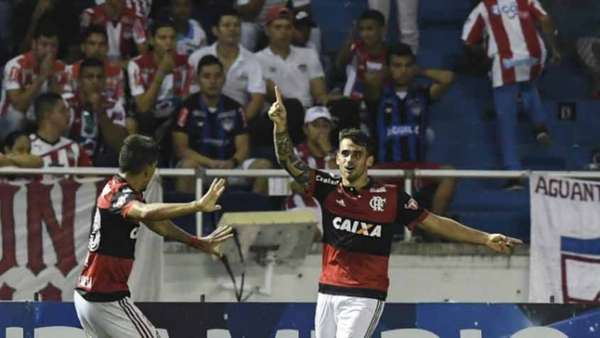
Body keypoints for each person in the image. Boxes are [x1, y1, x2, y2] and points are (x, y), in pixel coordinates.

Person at [268, 85, 522, 337]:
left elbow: (434, 222)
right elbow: (289, 162)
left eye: (357, 154)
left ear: (369, 161)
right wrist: (280, 127)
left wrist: (485, 238)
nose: (349, 160)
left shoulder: (390, 197)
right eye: (344, 153)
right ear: (337, 159)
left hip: (365, 296)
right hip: (327, 292)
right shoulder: (328, 188)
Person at [74, 134, 233, 338]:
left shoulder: (118, 189)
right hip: (106, 299)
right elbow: (145, 212)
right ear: (149, 169)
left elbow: (160, 225)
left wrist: (196, 242)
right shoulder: (121, 195)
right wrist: (196, 206)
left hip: (89, 296)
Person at [462, 0, 561, 189]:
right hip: (534, 57)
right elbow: (546, 19)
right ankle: (540, 124)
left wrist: (484, 55)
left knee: (506, 120)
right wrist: (554, 48)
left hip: (506, 62)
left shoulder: (484, 6)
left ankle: (513, 175)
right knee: (528, 84)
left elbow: (468, 40)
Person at [373, 43, 456, 219]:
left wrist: (420, 72)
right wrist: (386, 72)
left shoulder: (422, 94)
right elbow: (368, 80)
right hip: (385, 168)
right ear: (388, 68)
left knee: (449, 174)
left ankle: (435, 229)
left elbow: (448, 78)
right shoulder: (379, 95)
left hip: (417, 166)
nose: (403, 71)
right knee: (363, 180)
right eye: (397, 66)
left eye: (407, 65)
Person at [173, 55, 272, 194]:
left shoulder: (236, 108)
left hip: (230, 167)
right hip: (201, 167)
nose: (213, 81)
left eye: (217, 76)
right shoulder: (187, 108)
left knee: (264, 167)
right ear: (197, 79)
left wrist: (231, 162)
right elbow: (181, 149)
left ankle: (252, 212)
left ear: (224, 78)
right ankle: (186, 215)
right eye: (207, 76)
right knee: (187, 166)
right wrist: (210, 163)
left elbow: (243, 147)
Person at [188, 9, 266, 123]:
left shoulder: (253, 60)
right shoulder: (197, 57)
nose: (232, 29)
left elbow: (257, 99)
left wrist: (239, 124)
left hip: (239, 117)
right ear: (215, 30)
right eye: (226, 25)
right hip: (201, 117)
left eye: (236, 25)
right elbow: (190, 94)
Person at [0, 18, 68, 140]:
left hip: (42, 119)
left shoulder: (61, 68)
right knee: (16, 117)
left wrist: (51, 76)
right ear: (33, 44)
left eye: (53, 46)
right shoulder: (16, 65)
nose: (49, 51)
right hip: (11, 119)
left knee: (66, 115)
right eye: (44, 45)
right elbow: (19, 106)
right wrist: (41, 77)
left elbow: (60, 102)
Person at [128, 17, 193, 142]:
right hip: (148, 119)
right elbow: (143, 107)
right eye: (162, 38)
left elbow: (186, 103)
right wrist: (161, 73)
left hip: (174, 118)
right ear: (152, 40)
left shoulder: (185, 63)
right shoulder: (137, 64)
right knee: (144, 118)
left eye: (172, 38)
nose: (168, 42)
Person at [66, 58, 129, 166]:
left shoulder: (113, 105)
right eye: (89, 77)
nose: (95, 81)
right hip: (71, 163)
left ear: (104, 81)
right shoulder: (66, 103)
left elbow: (119, 144)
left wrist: (100, 111)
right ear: (79, 81)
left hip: (102, 164)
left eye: (99, 77)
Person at [285, 105, 336, 236]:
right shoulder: (295, 153)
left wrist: (328, 153)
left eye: (325, 126)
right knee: (312, 231)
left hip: (329, 210)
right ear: (305, 129)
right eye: (316, 125)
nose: (321, 130)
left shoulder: (337, 156)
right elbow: (297, 186)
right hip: (301, 209)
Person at [65, 25, 125, 105]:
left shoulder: (117, 72)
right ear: (83, 47)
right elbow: (67, 102)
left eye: (101, 44)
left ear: (107, 48)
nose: (97, 49)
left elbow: (119, 103)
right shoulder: (70, 71)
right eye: (92, 44)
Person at [336, 9, 387, 102]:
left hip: (379, 104)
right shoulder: (354, 49)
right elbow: (339, 65)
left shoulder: (389, 54)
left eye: (370, 29)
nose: (365, 34)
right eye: (361, 29)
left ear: (382, 29)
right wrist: (351, 37)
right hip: (350, 103)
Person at [30, 93, 92, 168]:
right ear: (47, 114)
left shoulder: (74, 148)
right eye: (62, 110)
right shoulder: (27, 146)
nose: (69, 115)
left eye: (68, 110)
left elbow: (91, 177)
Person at [80, 0, 148, 63]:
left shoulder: (134, 17)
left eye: (119, 3)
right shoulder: (90, 15)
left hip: (125, 61)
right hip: (96, 60)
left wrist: (129, 63)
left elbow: (142, 47)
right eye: (111, 5)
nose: (114, 9)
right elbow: (81, 44)